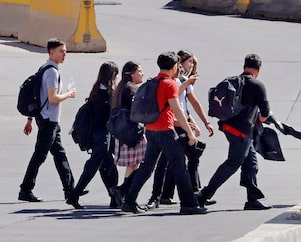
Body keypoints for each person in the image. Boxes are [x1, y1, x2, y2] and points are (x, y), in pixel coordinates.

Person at [119, 51, 206, 215]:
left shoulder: (154, 81)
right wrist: (190, 133)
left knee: (146, 168)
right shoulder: (169, 84)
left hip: (151, 129)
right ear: (174, 67)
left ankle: (129, 201)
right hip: (165, 130)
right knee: (180, 166)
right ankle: (188, 204)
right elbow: (177, 110)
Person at [197, 53, 273, 211]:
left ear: (244, 67)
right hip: (242, 131)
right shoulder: (257, 85)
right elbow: (265, 112)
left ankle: (252, 199)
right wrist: (262, 117)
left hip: (229, 127)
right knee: (233, 162)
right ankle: (203, 195)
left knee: (251, 163)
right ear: (258, 69)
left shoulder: (235, 81)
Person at [148, 50, 214, 207]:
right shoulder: (172, 81)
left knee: (188, 158)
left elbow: (191, 103)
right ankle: (163, 196)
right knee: (168, 162)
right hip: (172, 124)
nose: (191, 65)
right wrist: (185, 84)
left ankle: (191, 194)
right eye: (188, 62)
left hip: (182, 123)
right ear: (179, 64)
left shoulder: (184, 80)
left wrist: (204, 122)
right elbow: (172, 101)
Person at [19, 38, 77, 203]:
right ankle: (25, 189)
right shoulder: (52, 71)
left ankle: (70, 189)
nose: (65, 54)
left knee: (59, 154)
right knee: (40, 155)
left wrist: (30, 119)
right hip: (48, 120)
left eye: (65, 51)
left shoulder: (44, 67)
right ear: (51, 52)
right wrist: (69, 94)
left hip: (46, 119)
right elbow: (52, 98)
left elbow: (37, 95)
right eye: (61, 51)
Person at [66, 61, 122, 209]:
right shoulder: (108, 93)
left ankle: (114, 197)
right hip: (102, 136)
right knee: (94, 167)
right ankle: (74, 194)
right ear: (112, 75)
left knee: (108, 167)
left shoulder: (97, 89)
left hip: (97, 135)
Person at [111, 62, 147, 200]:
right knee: (142, 163)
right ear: (132, 73)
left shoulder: (121, 88)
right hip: (132, 132)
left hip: (122, 132)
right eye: (140, 70)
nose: (142, 73)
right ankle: (123, 191)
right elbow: (136, 111)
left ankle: (123, 194)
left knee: (133, 164)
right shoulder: (131, 89)